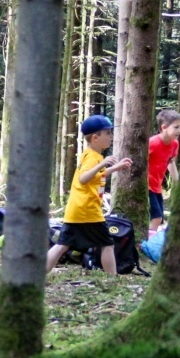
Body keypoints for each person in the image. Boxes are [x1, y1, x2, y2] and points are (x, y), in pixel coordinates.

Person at [46, 115, 133, 275]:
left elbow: (95, 176)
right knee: (107, 243)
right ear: (95, 137)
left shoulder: (91, 155)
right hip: (88, 211)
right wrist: (102, 163)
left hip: (78, 210)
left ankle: (38, 273)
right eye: (107, 133)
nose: (111, 136)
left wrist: (115, 168)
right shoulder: (93, 157)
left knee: (62, 245)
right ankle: (112, 279)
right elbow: (84, 178)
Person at [147, 109, 180, 234]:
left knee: (159, 218)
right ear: (164, 127)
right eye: (176, 127)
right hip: (147, 185)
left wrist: (178, 180)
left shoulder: (174, 144)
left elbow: (170, 162)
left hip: (157, 186)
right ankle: (148, 242)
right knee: (156, 217)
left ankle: (149, 238)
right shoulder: (152, 143)